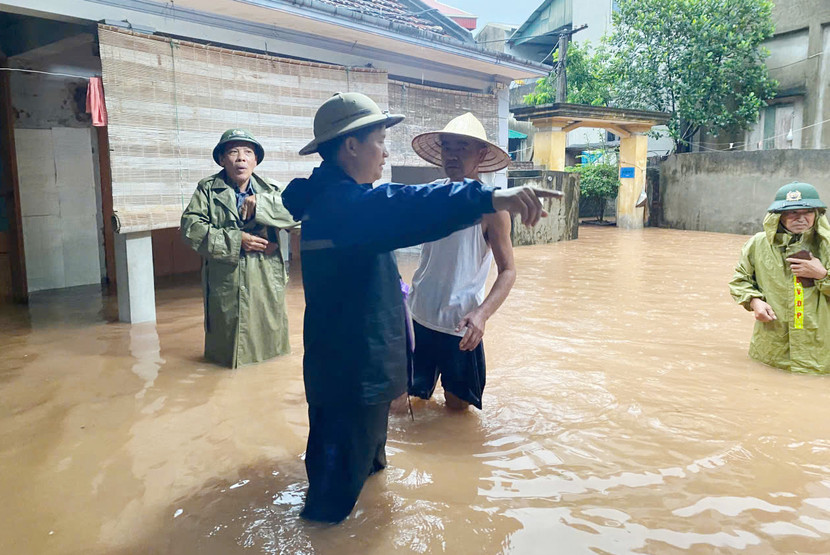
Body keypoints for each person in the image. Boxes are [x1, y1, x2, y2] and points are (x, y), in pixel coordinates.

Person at [281, 92, 561, 523]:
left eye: (461, 148)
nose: (385, 151)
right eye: (378, 140)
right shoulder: (344, 204)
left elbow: (497, 264)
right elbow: (410, 204)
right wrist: (489, 198)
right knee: (329, 506)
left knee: (373, 474)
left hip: (369, 368)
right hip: (353, 378)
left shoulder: (342, 200)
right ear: (351, 146)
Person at [405, 112, 518, 411]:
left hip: (461, 326)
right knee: (409, 406)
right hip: (419, 316)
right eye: (447, 147)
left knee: (457, 413)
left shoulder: (492, 206)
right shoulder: (431, 195)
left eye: (462, 147)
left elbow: (508, 271)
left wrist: (482, 315)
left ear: (481, 154)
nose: (451, 155)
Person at [181, 129, 298, 368]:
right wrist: (236, 240)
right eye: (233, 152)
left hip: (266, 275)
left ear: (256, 160)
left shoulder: (272, 190)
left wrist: (264, 205)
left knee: (269, 344)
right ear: (222, 160)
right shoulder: (208, 189)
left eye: (247, 152)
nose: (241, 158)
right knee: (226, 349)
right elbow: (190, 228)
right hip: (226, 276)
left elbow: (299, 220)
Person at [729, 181, 830, 374]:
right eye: (792, 212)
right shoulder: (758, 244)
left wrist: (822, 275)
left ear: (816, 214)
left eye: (807, 212)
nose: (800, 218)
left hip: (822, 353)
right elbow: (740, 280)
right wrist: (754, 301)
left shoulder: (827, 244)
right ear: (778, 216)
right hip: (771, 350)